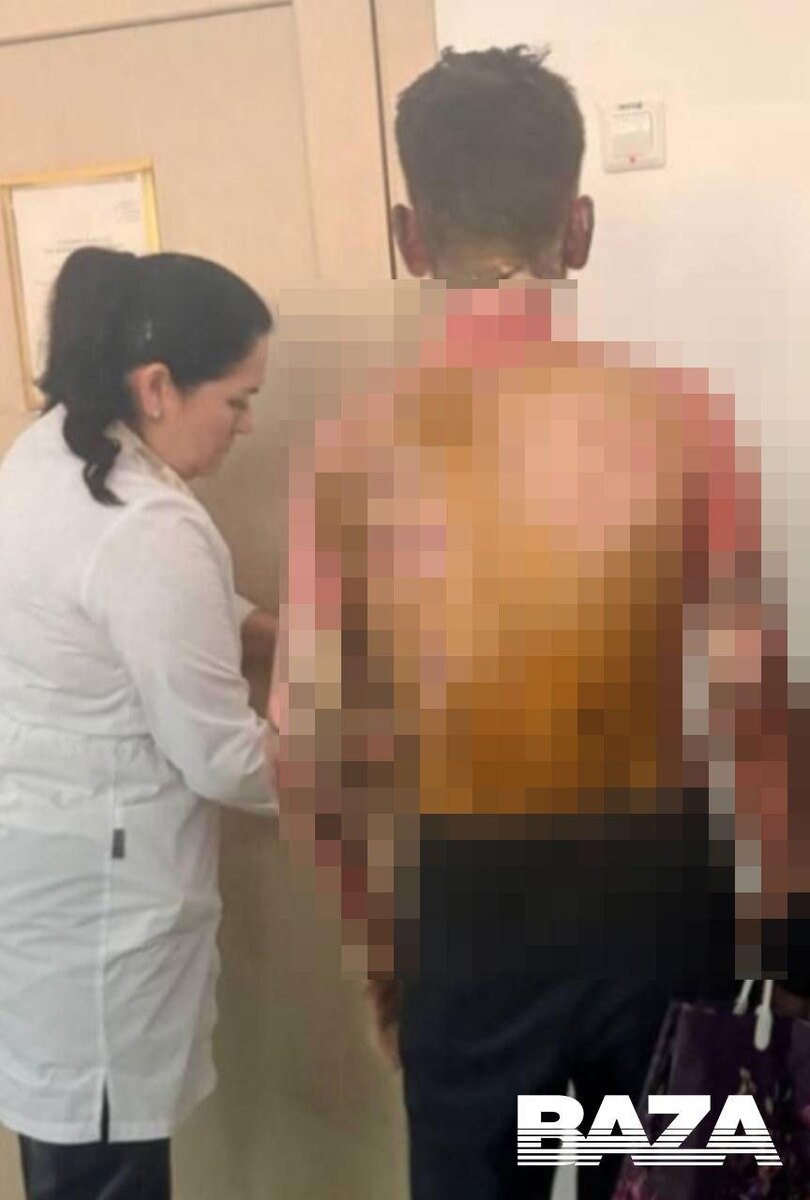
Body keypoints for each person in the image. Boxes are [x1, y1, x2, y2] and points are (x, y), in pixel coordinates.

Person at [270, 47, 794, 1200]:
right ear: (581, 225)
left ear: (411, 237)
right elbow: (759, 714)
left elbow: (304, 746)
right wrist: (796, 940)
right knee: (671, 1184)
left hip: (468, 924)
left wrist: (386, 949)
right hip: (662, 918)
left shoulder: (358, 455)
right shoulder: (684, 425)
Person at [0, 246, 278, 1200]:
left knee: (72, 1150)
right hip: (105, 907)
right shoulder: (146, 525)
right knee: (104, 1165)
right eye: (238, 400)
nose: (247, 424)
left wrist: (278, 634)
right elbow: (223, 758)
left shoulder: (49, 454)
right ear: (158, 386)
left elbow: (139, 611)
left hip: (48, 877)